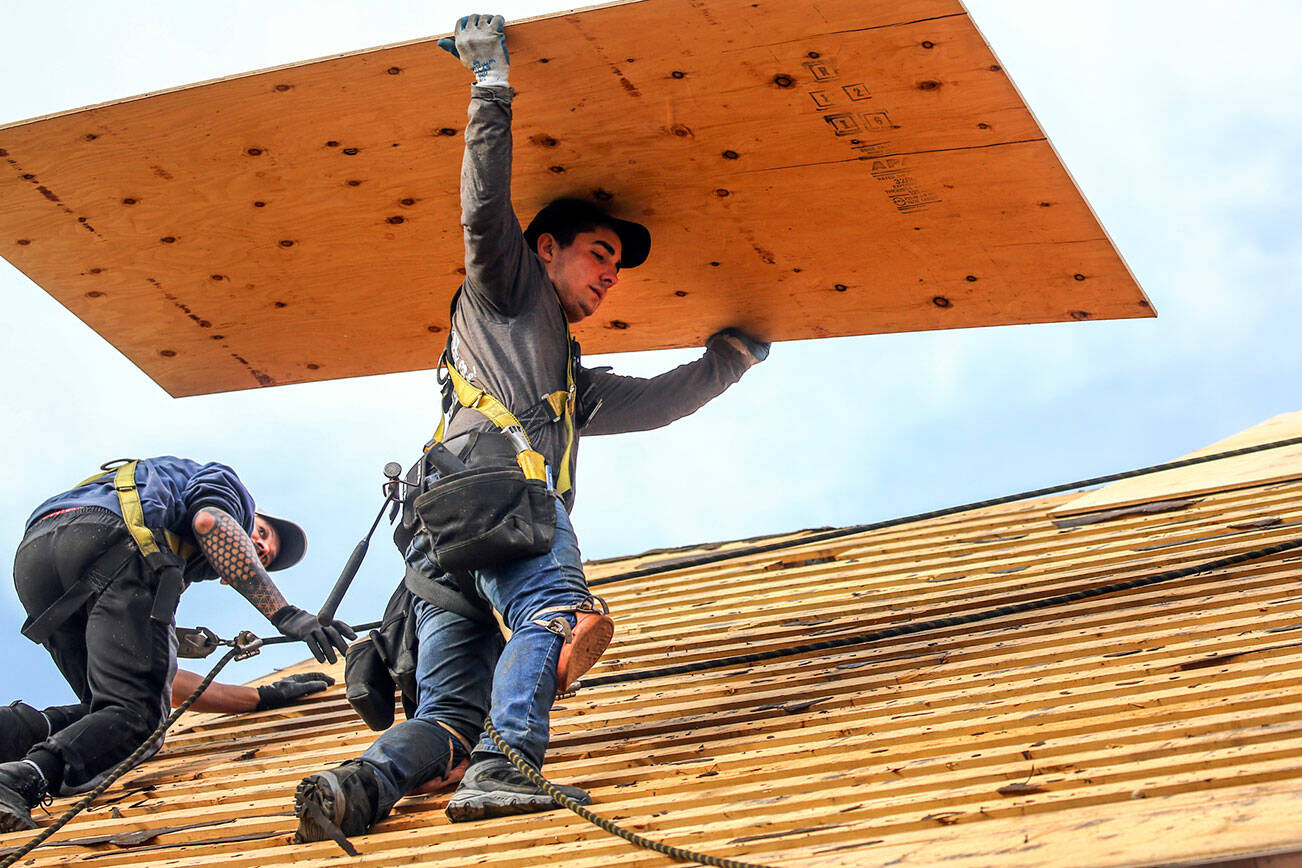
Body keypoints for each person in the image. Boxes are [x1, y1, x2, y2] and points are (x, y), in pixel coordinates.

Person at [293, 13, 768, 840]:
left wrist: (734, 357)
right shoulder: (510, 293)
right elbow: (483, 214)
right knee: (561, 616)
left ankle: (357, 786)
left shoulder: (560, 383)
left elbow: (660, 400)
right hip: (504, 505)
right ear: (545, 249)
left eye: (615, 268)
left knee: (447, 710)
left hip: (438, 540)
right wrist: (490, 87)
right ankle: (506, 770)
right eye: (598, 255)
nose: (609, 277)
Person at [0, 456, 356, 831]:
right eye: (263, 536)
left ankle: (9, 733)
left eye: (264, 558)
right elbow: (210, 523)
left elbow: (160, 687)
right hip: (115, 538)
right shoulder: (226, 489)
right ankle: (17, 780)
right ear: (249, 521)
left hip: (38, 555)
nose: (262, 548)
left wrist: (259, 697)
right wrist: (285, 615)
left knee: (103, 714)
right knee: (135, 718)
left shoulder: (162, 523)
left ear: (225, 575)